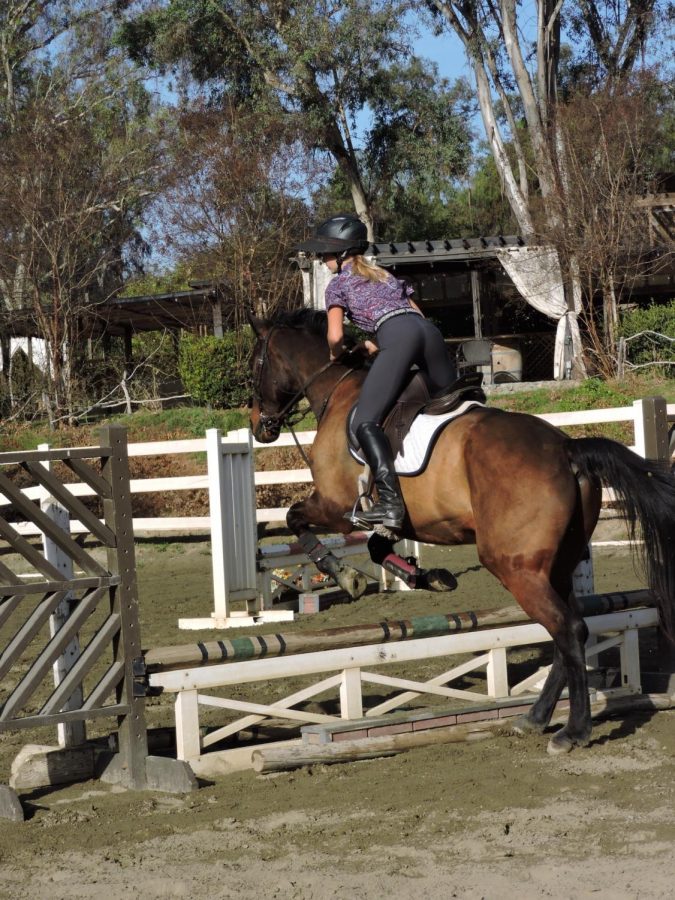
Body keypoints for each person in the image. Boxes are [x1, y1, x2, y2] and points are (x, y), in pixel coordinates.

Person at [297, 213, 456, 531]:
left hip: (397, 338)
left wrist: (338, 354)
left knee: (364, 421)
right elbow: (413, 317)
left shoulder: (337, 285)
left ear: (342, 254)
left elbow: (335, 337)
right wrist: (373, 345)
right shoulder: (384, 275)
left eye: (326, 253)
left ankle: (391, 505)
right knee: (454, 401)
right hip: (430, 334)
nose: (323, 258)